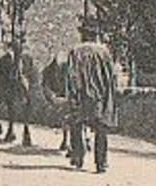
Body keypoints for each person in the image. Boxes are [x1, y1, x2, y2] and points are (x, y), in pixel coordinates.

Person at [46, 28, 120, 173]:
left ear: (83, 36)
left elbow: (71, 75)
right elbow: (110, 77)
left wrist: (71, 93)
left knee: (77, 124)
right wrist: (108, 96)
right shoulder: (103, 52)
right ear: (96, 36)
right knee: (101, 129)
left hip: (81, 95)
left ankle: (79, 158)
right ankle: (101, 163)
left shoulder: (76, 51)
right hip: (99, 96)